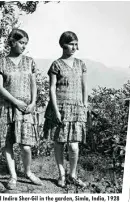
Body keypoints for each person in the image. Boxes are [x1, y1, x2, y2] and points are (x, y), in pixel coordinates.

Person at [0, 28, 43, 190]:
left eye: (25, 44)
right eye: (21, 43)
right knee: (7, 143)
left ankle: (27, 172)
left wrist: (33, 102)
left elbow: (33, 85)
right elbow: (0, 88)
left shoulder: (30, 61)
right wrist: (15, 102)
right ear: (12, 42)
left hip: (25, 109)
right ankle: (13, 176)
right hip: (6, 107)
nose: (23, 46)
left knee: (25, 146)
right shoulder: (2, 62)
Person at [43, 31, 87, 188]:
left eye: (76, 44)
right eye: (71, 44)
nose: (74, 47)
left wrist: (84, 104)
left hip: (76, 108)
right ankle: (61, 174)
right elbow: (52, 89)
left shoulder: (81, 64)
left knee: (74, 145)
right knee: (60, 143)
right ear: (63, 45)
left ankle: (72, 175)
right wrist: (55, 110)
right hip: (60, 107)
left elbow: (84, 86)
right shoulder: (56, 64)